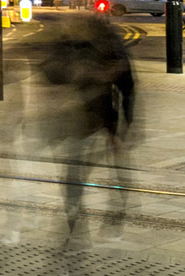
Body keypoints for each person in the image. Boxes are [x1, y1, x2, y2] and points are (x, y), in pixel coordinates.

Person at [33, 12, 135, 238]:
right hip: (76, 119)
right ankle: (73, 217)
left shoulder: (109, 45)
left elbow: (127, 85)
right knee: (74, 168)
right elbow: (48, 71)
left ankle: (116, 209)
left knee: (114, 167)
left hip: (105, 116)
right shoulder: (69, 44)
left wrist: (125, 126)